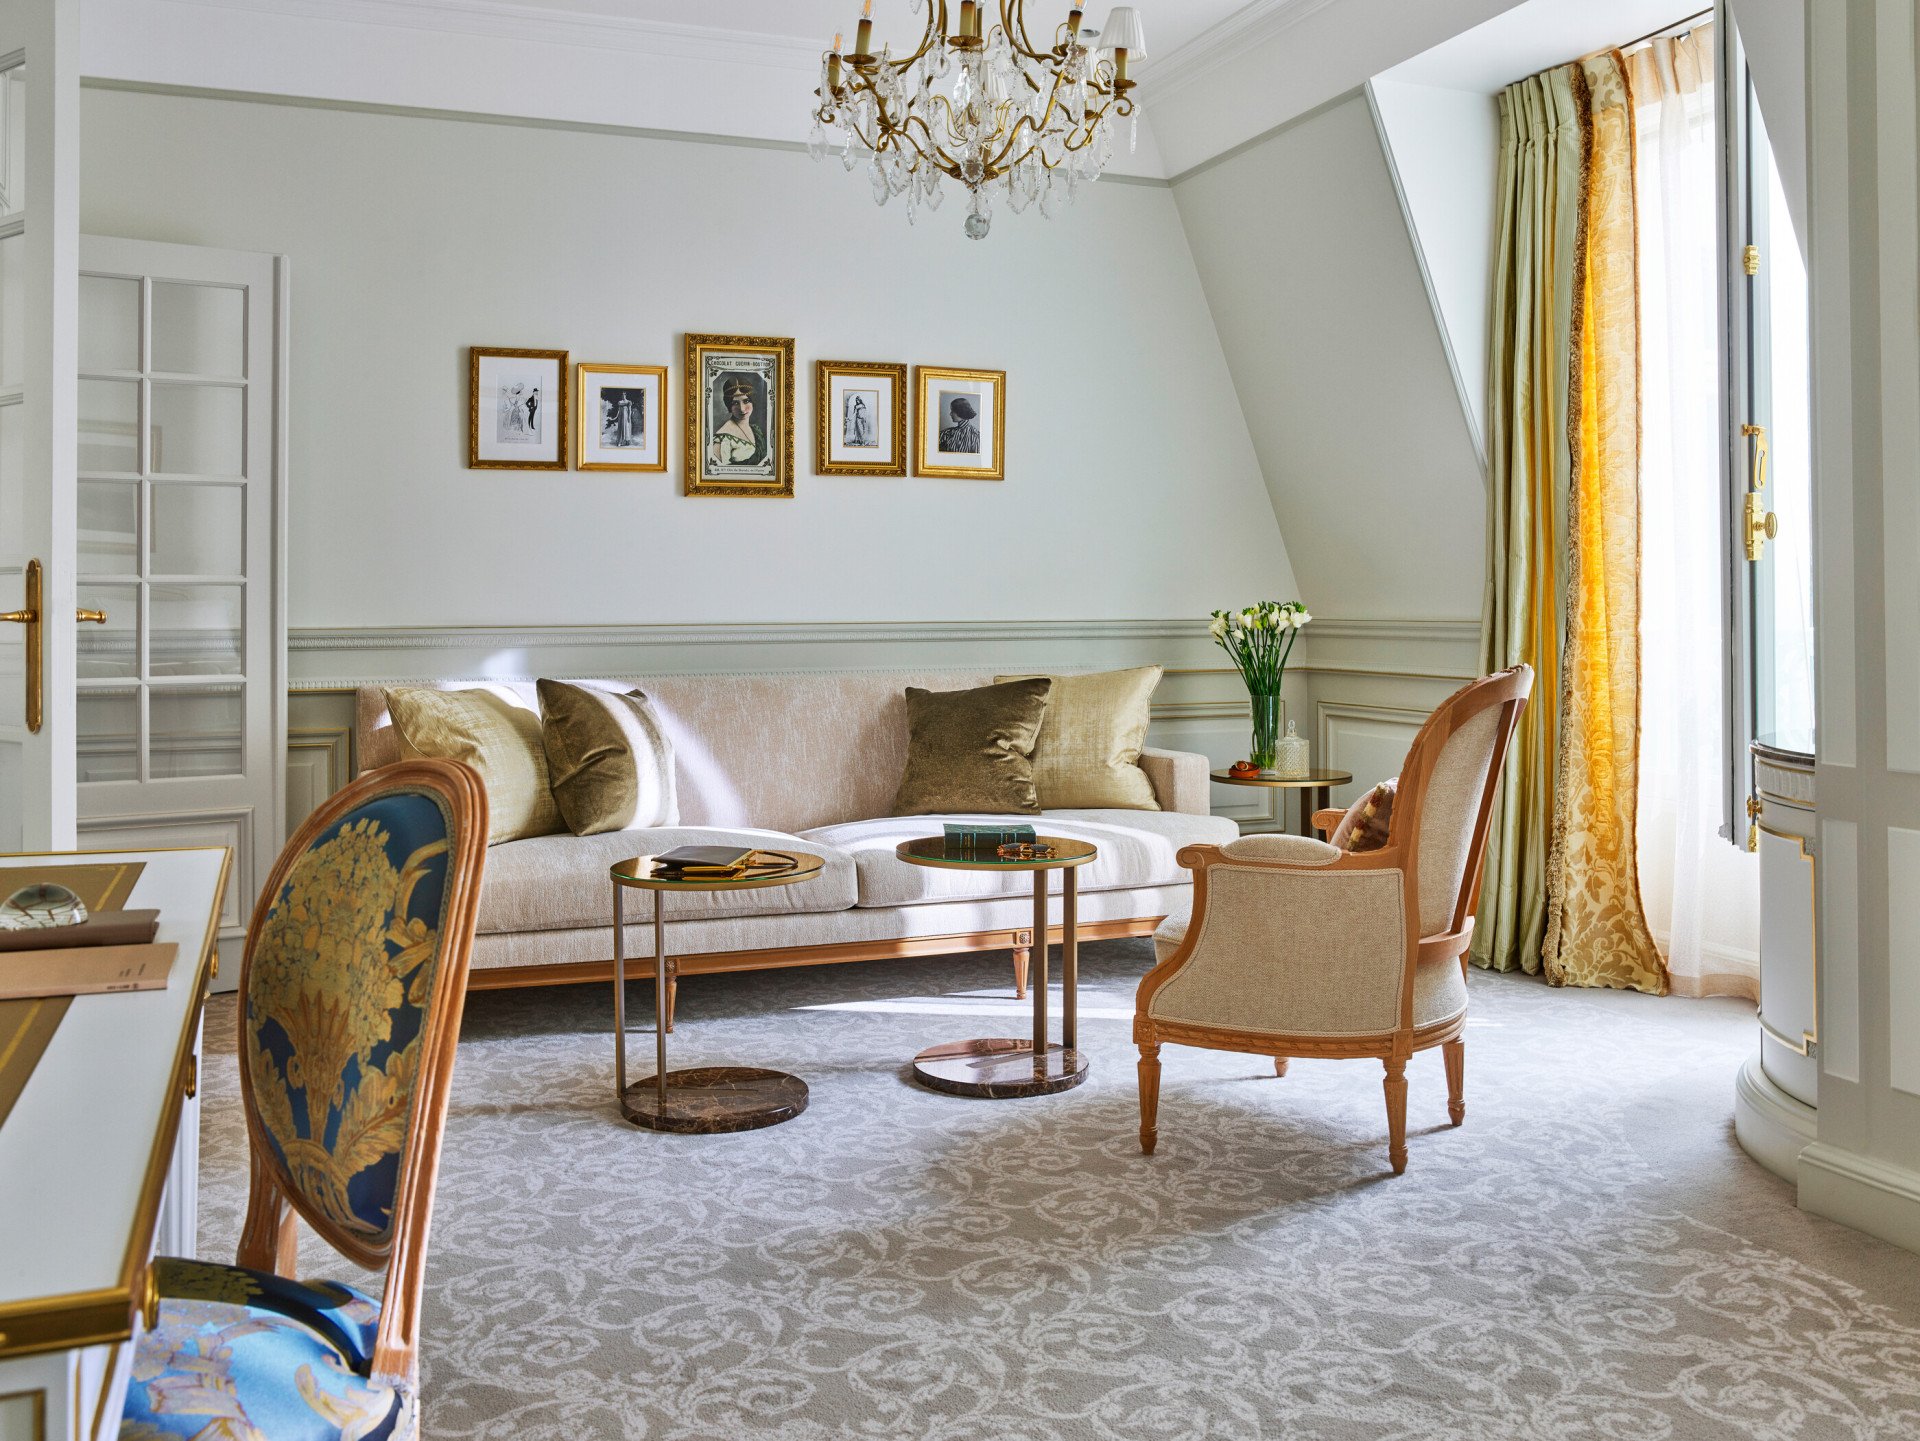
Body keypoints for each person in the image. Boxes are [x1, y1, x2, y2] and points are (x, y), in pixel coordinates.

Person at [709, 373, 769, 469]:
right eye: (735, 403)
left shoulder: (756, 430)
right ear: (729, 405)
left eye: (746, 401)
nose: (741, 409)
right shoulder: (723, 438)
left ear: (753, 400)